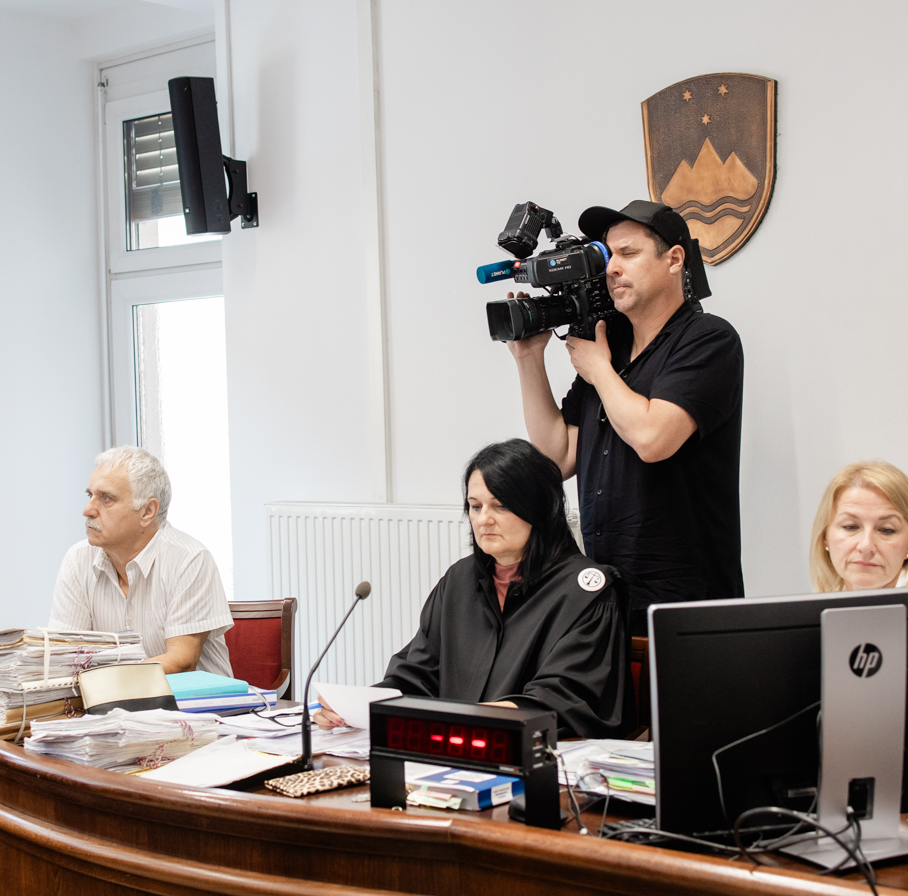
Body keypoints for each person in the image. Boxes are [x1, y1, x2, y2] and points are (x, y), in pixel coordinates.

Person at [509, 199, 744, 633]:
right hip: (606, 597)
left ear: (674, 259)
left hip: (684, 605)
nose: (612, 268)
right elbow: (557, 457)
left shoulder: (709, 340)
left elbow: (653, 439)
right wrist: (529, 359)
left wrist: (599, 370)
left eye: (628, 253)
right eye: (608, 256)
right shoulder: (609, 349)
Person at [315, 440, 633, 738]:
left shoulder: (587, 591)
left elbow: (564, 699)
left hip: (534, 756)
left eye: (500, 506)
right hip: (455, 746)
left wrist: (469, 721)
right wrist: (358, 707)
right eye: (475, 506)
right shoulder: (459, 579)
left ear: (539, 509)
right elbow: (419, 676)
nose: (483, 520)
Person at [49, 445, 234, 675]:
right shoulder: (77, 560)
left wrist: (106, 680)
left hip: (189, 698)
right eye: (90, 496)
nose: (88, 510)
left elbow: (182, 662)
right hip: (112, 697)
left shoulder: (189, 559)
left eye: (106, 498)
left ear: (147, 511)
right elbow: (65, 658)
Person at [809, 461, 908, 592]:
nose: (866, 546)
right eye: (850, 527)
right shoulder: (823, 602)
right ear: (825, 536)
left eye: (886, 530)